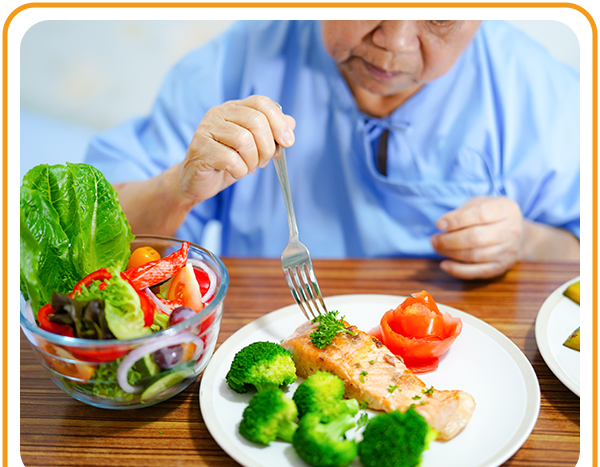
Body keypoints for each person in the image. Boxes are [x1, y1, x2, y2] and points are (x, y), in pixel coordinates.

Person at [85, 19, 581, 280]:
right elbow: (91, 244)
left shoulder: (540, 91)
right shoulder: (240, 57)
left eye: (437, 17)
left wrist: (528, 244)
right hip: (261, 338)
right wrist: (177, 188)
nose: (395, 43)